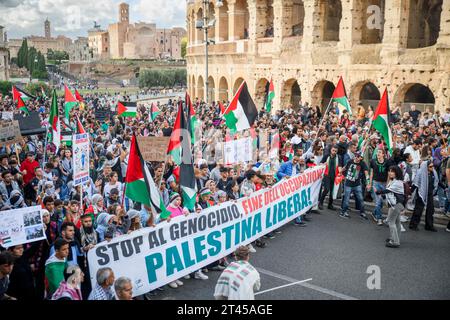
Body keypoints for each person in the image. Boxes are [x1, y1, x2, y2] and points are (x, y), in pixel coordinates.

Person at [375, 166, 405, 248]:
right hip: (397, 204)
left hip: (396, 205)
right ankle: (395, 238)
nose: (390, 173)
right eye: (389, 171)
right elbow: (390, 193)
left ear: (397, 173)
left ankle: (395, 242)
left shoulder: (397, 182)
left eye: (392, 171)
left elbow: (388, 190)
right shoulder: (394, 181)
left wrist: (378, 192)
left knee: (391, 222)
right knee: (397, 222)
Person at [409, 161, 438, 231]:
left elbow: (437, 182)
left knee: (430, 210)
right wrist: (410, 192)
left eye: (433, 166)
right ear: (426, 167)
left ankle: (429, 226)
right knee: (418, 210)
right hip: (421, 193)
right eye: (430, 166)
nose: (432, 168)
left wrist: (445, 188)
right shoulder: (420, 172)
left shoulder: (433, 173)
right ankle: (413, 225)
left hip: (430, 194)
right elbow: (415, 183)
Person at [340, 152, 369, 219]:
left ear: (361, 158)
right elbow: (345, 167)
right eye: (355, 155)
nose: (356, 157)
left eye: (358, 156)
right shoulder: (350, 161)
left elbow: (366, 173)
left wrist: (368, 183)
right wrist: (340, 172)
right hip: (348, 184)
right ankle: (343, 212)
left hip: (357, 184)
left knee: (361, 199)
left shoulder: (362, 163)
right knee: (346, 199)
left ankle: (362, 213)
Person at [368, 148, 389, 226]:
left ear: (383, 154)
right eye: (377, 152)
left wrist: (387, 184)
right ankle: (379, 218)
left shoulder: (387, 162)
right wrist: (370, 184)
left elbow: (389, 174)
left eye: (379, 152)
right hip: (376, 183)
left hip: (384, 184)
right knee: (378, 201)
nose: (378, 154)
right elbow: (371, 173)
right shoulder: (373, 161)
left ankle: (374, 213)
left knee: (382, 202)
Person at [318, 145, 341, 210]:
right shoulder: (326, 156)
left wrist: (340, 172)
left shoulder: (338, 157)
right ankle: (321, 202)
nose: (334, 152)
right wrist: (323, 164)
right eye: (333, 150)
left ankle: (330, 205)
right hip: (327, 175)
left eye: (335, 151)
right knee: (326, 189)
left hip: (335, 176)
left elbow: (340, 166)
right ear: (331, 150)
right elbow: (320, 164)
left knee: (332, 191)